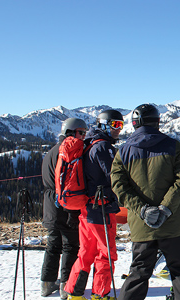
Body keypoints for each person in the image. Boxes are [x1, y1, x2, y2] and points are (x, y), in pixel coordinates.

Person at [111, 103, 180, 300]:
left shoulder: (123, 152)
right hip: (173, 224)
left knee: (139, 272)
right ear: (157, 122)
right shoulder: (173, 146)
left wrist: (142, 210)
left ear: (134, 124)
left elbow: (119, 187)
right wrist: (166, 208)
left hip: (142, 225)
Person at [64, 110, 123, 300]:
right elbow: (114, 177)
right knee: (107, 254)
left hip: (87, 208)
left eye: (121, 125)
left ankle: (74, 292)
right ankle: (101, 294)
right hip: (102, 209)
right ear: (104, 125)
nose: (119, 130)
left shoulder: (89, 143)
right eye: (115, 125)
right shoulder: (103, 147)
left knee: (86, 252)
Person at [41, 118, 86, 299]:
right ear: (70, 132)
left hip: (50, 205)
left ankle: (46, 284)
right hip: (67, 206)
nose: (83, 137)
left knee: (52, 245)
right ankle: (66, 287)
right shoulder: (70, 151)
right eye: (81, 132)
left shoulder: (50, 152)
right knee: (70, 246)